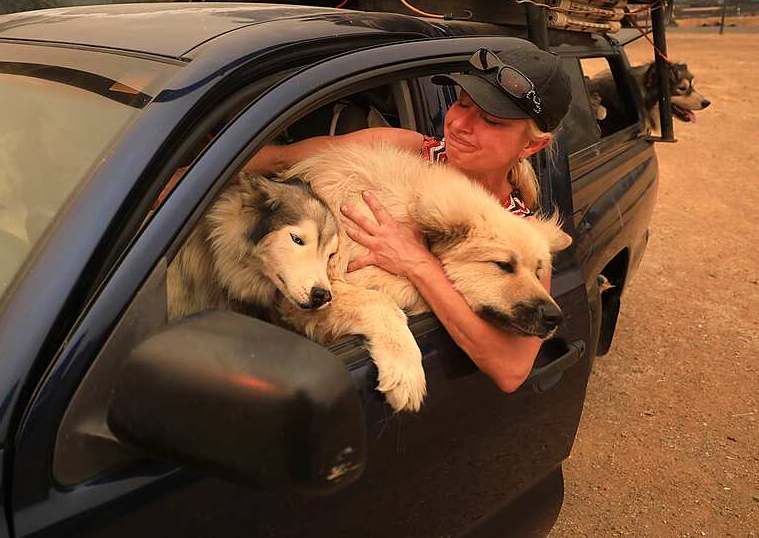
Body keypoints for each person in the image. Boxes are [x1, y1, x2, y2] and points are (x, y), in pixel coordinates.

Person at [244, 47, 574, 392]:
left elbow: (511, 370)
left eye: (491, 121)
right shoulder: (405, 148)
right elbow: (279, 161)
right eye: (462, 104)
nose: (460, 125)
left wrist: (417, 263)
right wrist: (186, 175)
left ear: (531, 147)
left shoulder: (523, 240)